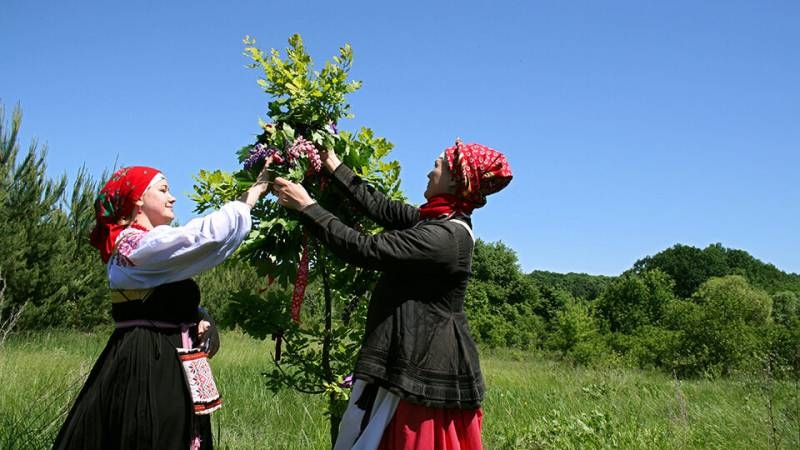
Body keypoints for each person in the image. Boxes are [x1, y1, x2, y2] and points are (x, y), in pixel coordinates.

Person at [272, 139, 513, 449]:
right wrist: (333, 165)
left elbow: (365, 249)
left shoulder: (443, 237)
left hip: (423, 367)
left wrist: (308, 207)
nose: (429, 171)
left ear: (455, 179)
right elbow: (381, 207)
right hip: (410, 356)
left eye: (437, 165)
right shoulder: (437, 221)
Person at [53, 161, 273, 450]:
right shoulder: (133, 246)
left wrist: (199, 315)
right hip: (149, 359)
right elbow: (204, 236)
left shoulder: (144, 247)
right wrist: (256, 190)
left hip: (169, 354)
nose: (172, 197)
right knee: (153, 433)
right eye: (164, 189)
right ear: (139, 199)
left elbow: (161, 300)